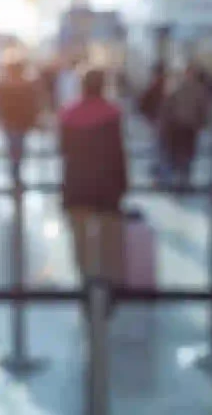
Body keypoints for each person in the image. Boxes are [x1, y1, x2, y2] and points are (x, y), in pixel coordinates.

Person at [59, 69, 128, 300]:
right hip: (106, 185)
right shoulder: (112, 113)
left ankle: (86, 279)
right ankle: (108, 283)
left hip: (77, 184)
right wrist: (123, 184)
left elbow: (63, 149)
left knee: (80, 237)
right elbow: (118, 153)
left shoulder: (68, 114)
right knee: (108, 237)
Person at [158, 64, 210, 188]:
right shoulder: (183, 89)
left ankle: (183, 178)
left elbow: (203, 109)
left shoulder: (195, 90)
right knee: (181, 154)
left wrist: (201, 122)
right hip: (180, 127)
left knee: (185, 154)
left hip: (187, 127)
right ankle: (181, 178)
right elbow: (168, 106)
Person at [0, 59, 39, 187]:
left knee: (15, 147)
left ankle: (15, 172)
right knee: (17, 147)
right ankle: (15, 173)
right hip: (16, 122)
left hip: (16, 122)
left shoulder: (7, 87)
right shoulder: (22, 86)